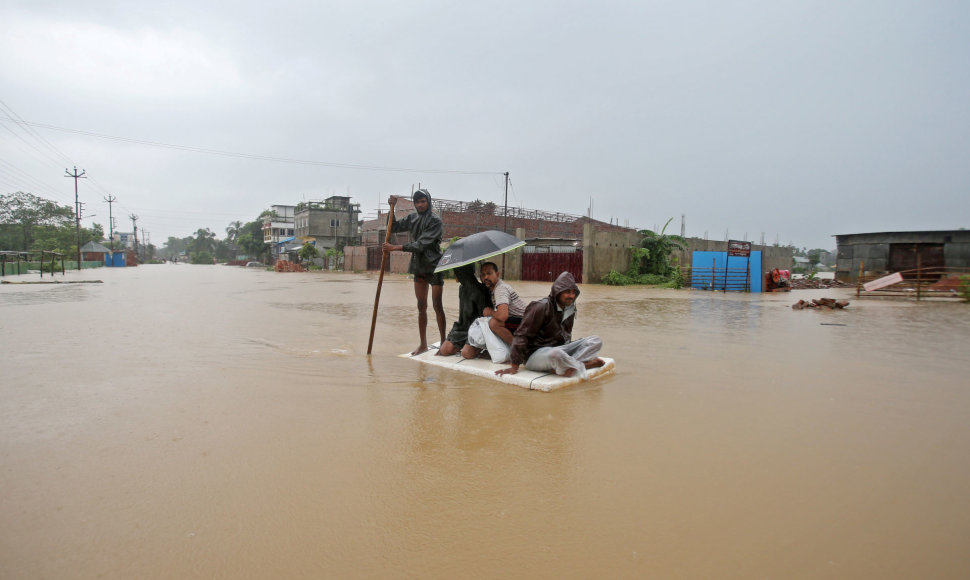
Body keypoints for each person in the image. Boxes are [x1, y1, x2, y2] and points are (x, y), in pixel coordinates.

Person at [495, 271, 605, 379]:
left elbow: (567, 335)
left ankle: (568, 366)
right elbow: (522, 335)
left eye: (573, 292)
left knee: (595, 340)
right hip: (535, 355)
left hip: (559, 349)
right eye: (567, 292)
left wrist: (571, 351)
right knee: (556, 354)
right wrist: (514, 365)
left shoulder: (570, 308)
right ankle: (582, 365)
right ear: (558, 292)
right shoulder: (540, 307)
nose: (571, 296)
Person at [382, 189, 446, 355]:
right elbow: (394, 227)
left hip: (434, 265)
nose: (420, 205)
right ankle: (423, 344)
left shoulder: (435, 221)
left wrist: (395, 247)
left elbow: (421, 244)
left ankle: (444, 342)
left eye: (423, 201)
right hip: (419, 265)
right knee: (421, 306)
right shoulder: (412, 218)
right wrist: (392, 209)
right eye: (417, 202)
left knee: (437, 305)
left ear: (428, 202)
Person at [461, 261, 528, 361]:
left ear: (497, 274)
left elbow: (502, 316)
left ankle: (519, 351)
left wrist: (490, 312)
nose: (486, 278)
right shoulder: (492, 290)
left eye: (489, 273)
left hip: (525, 322)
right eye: (483, 275)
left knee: (494, 323)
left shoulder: (500, 289)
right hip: (519, 321)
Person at [437, 264, 490, 356]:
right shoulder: (462, 289)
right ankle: (464, 345)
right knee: (444, 350)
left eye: (456, 272)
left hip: (476, 329)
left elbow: (485, 319)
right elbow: (461, 318)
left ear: (463, 273)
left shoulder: (480, 291)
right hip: (463, 329)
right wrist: (450, 337)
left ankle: (477, 347)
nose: (455, 275)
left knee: (466, 354)